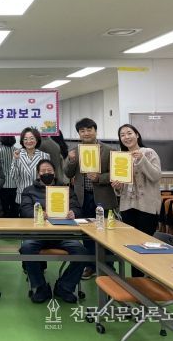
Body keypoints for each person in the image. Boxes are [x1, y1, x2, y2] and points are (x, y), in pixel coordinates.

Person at [19, 160, 86, 304]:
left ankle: (64, 286)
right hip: (38, 234)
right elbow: (25, 210)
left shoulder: (65, 189)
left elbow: (77, 208)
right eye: (43, 171)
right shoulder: (29, 190)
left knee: (82, 252)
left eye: (49, 170)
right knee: (26, 248)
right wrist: (38, 213)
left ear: (54, 173)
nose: (46, 173)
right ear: (38, 174)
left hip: (63, 234)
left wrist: (73, 213)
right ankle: (41, 287)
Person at [64, 117, 116, 279]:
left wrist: (99, 177)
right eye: (82, 131)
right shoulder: (75, 151)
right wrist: (71, 160)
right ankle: (90, 266)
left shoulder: (108, 150)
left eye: (89, 130)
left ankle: (108, 267)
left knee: (106, 233)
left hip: (103, 197)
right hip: (82, 198)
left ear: (95, 131)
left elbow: (116, 174)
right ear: (79, 133)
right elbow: (68, 173)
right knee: (86, 233)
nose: (86, 133)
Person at [111, 124, 162, 277]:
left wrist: (141, 159)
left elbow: (156, 176)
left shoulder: (149, 153)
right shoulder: (120, 157)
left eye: (129, 133)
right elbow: (121, 189)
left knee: (144, 246)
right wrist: (117, 186)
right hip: (127, 207)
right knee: (132, 247)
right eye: (122, 135)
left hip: (147, 207)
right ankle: (136, 280)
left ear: (137, 135)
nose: (126, 137)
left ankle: (145, 280)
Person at [10, 127, 50, 206]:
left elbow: (48, 178)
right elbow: (13, 176)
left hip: (40, 196)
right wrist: (16, 160)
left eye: (32, 138)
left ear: (37, 140)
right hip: (22, 195)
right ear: (22, 141)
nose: (28, 141)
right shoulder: (17, 155)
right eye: (25, 139)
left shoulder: (45, 156)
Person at [0, 136, 19, 218]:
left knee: (4, 208)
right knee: (14, 208)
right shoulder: (17, 151)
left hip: (3, 184)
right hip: (16, 184)